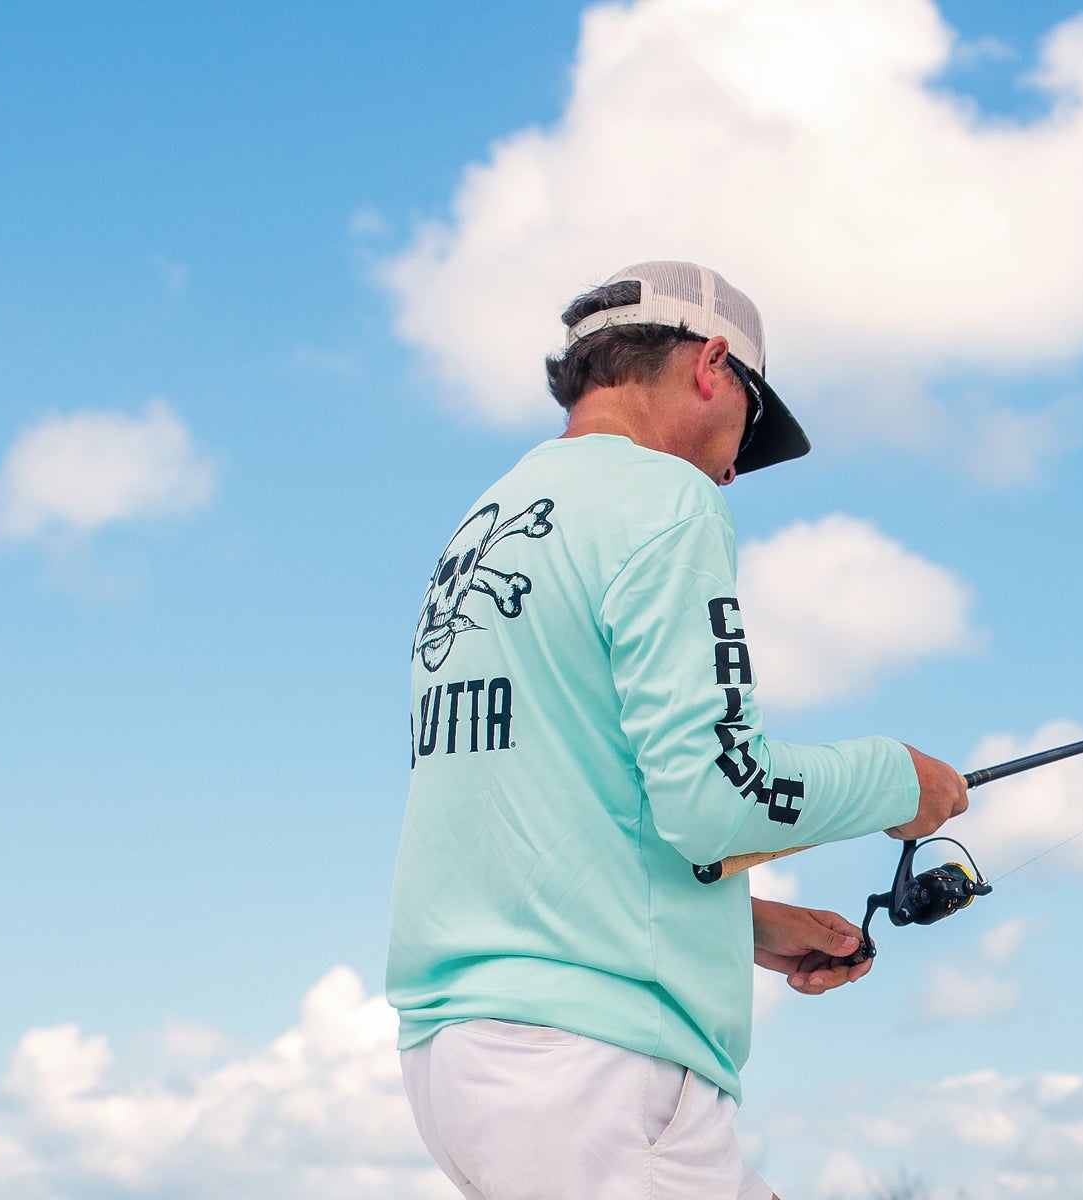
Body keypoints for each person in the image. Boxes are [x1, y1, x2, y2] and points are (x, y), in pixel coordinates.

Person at [386, 261, 971, 1200]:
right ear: (713, 365)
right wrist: (903, 782)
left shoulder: (486, 526)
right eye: (752, 424)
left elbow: (545, 818)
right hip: (597, 1076)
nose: (737, 465)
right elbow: (717, 796)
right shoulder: (662, 500)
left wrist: (737, 926)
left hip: (466, 1067)